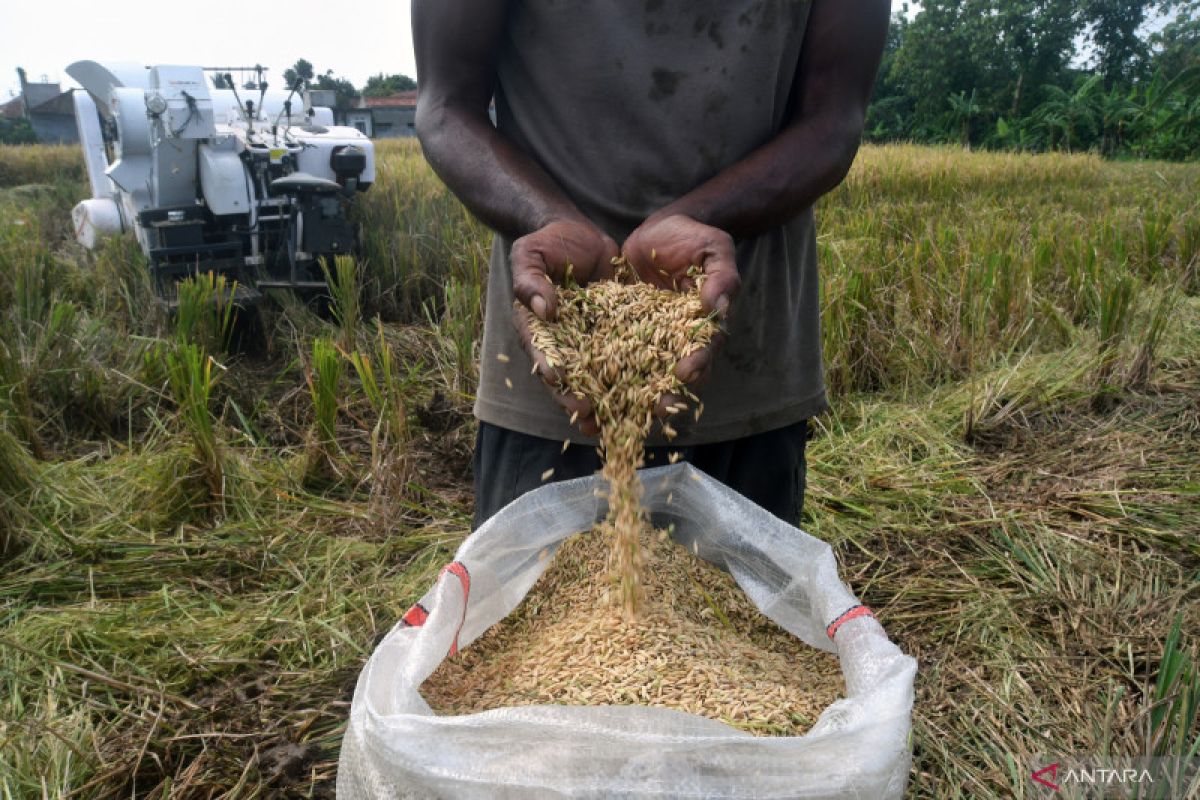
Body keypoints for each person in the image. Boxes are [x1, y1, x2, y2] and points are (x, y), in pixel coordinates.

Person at [413, 0, 890, 529]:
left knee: (736, 611)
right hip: (556, 368)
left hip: (752, 373)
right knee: (536, 608)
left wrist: (698, 216)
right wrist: (548, 219)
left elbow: (834, 120)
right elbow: (444, 107)